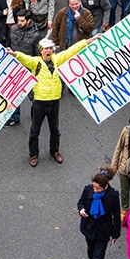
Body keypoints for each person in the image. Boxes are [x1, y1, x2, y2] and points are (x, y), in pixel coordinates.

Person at [10, 36, 93, 167]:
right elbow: (24, 58)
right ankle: (33, 155)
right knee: (34, 131)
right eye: (46, 49)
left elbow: (71, 51)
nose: (49, 51)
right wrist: (14, 54)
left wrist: (88, 41)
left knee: (55, 130)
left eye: (50, 48)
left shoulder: (57, 59)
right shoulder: (35, 62)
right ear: (40, 51)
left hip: (54, 102)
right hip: (39, 103)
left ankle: (54, 151)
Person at [77, 167, 122, 259]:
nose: (94, 190)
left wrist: (115, 234)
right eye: (94, 187)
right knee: (90, 248)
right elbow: (81, 202)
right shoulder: (88, 189)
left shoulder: (113, 195)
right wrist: (81, 210)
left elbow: (116, 215)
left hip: (103, 229)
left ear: (105, 187)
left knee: (99, 255)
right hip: (89, 226)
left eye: (97, 189)